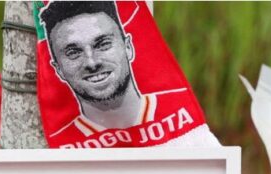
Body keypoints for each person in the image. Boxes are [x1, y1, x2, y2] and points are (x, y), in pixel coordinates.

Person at [40, 1, 192, 141]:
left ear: (128, 47)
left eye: (103, 44)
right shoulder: (56, 143)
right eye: (73, 53)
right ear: (58, 69)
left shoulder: (183, 116)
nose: (92, 63)